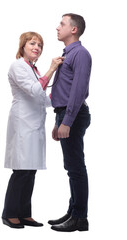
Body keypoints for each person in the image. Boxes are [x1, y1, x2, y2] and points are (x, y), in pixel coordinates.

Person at [2, 31, 63, 229]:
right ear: (23, 46)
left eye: (40, 45)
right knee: (21, 171)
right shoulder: (18, 66)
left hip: (34, 125)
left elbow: (43, 99)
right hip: (22, 124)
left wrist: (60, 96)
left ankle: (24, 213)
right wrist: (52, 69)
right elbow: (35, 90)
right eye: (32, 44)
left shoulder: (33, 69)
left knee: (30, 171)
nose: (37, 47)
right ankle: (9, 213)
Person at [48, 13, 92, 232]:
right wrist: (59, 121)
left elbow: (78, 91)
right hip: (65, 114)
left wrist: (67, 121)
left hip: (72, 115)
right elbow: (65, 90)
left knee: (76, 168)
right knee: (71, 167)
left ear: (73, 29)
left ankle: (79, 218)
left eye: (62, 24)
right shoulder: (67, 54)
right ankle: (73, 211)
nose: (58, 27)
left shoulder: (81, 54)